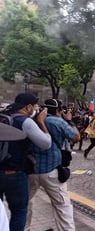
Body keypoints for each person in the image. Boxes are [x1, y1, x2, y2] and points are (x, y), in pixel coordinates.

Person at [25, 99, 80, 231]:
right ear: (58, 110)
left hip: (31, 170)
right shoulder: (57, 121)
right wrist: (69, 120)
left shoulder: (29, 121)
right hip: (51, 170)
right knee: (62, 205)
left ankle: (24, 227)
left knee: (25, 202)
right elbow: (76, 136)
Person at [0, 93, 51, 231]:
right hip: (15, 173)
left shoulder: (3, 116)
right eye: (35, 106)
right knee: (19, 211)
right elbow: (46, 143)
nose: (36, 108)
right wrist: (40, 122)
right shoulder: (24, 121)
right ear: (28, 107)